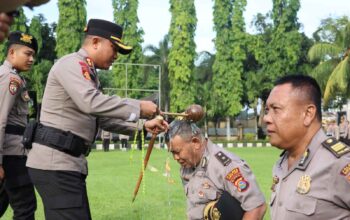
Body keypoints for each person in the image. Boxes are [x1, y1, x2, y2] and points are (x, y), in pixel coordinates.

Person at [26, 18, 167, 219]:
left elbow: (101, 118)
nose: (116, 56)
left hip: (65, 163)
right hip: (56, 164)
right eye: (114, 48)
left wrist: (143, 127)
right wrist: (138, 106)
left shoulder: (89, 73)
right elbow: (91, 102)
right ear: (95, 42)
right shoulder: (72, 64)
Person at [264, 74, 350, 219]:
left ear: (308, 114)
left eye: (276, 109)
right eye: (267, 110)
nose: (266, 118)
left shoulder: (339, 164)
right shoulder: (281, 165)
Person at [166, 120, 266, 220]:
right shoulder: (188, 165)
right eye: (172, 153)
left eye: (177, 152)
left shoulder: (226, 166)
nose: (175, 157)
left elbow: (257, 207)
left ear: (195, 142)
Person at [0, 31, 38, 219]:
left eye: (33, 55)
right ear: (12, 53)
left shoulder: (12, 76)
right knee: (25, 206)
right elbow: (0, 120)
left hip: (13, 152)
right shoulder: (10, 79)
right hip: (11, 155)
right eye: (27, 54)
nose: (31, 59)